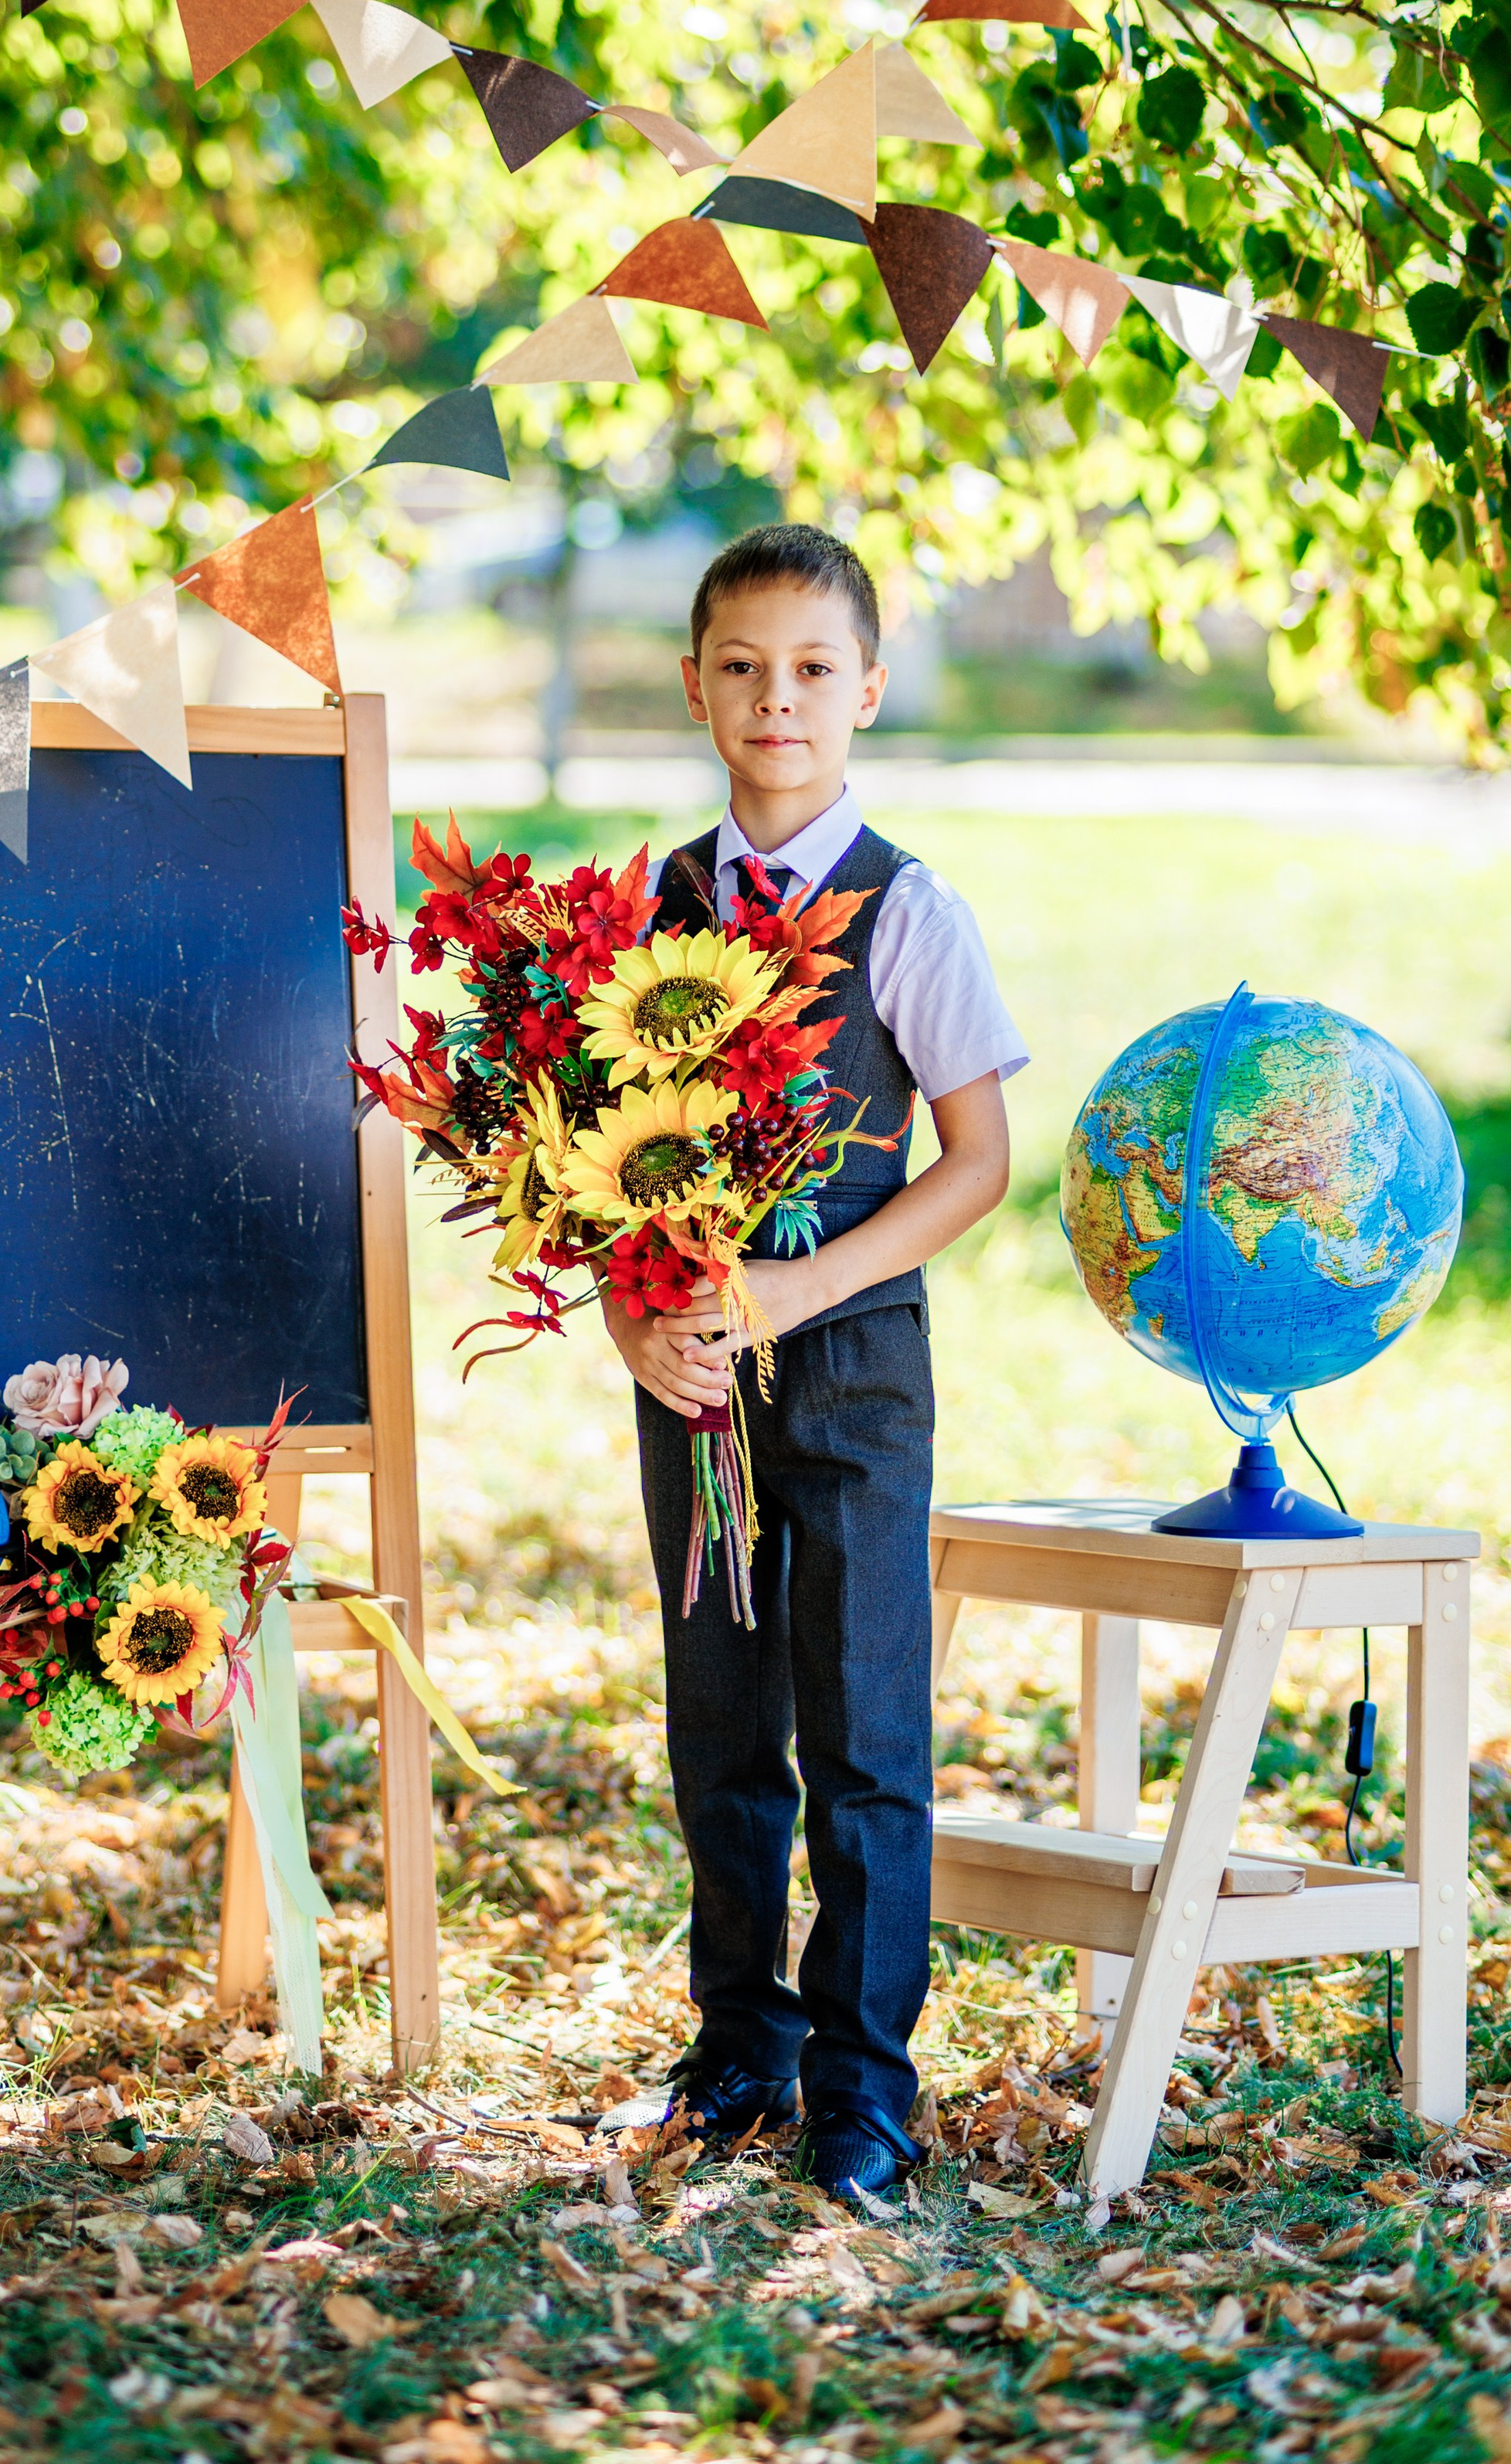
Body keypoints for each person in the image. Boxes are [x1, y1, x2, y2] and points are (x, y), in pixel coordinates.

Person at [598, 520, 1026, 2204]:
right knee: (718, 1722)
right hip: (687, 1381)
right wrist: (637, 1321)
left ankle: (861, 2086)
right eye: (742, 667)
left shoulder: (907, 910)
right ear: (697, 686)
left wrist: (795, 1292)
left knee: (859, 1730)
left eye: (811, 669)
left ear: (864, 690)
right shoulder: (648, 902)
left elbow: (977, 1162)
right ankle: (738, 2044)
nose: (776, 699)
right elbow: (588, 1148)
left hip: (846, 1369)